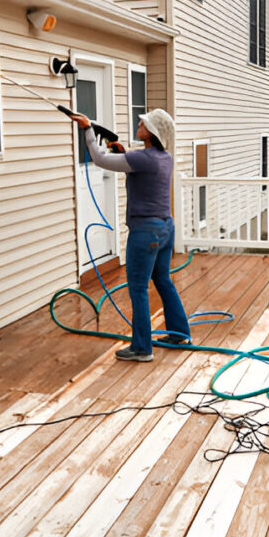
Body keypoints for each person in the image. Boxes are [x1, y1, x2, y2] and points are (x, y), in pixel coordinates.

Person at [69, 108, 191, 362]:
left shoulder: (143, 158)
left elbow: (100, 159)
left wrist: (87, 130)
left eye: (144, 123)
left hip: (145, 231)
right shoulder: (163, 157)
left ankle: (141, 348)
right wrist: (124, 154)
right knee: (163, 280)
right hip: (166, 227)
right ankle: (179, 333)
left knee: (138, 288)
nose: (139, 123)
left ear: (154, 131)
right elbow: (138, 167)